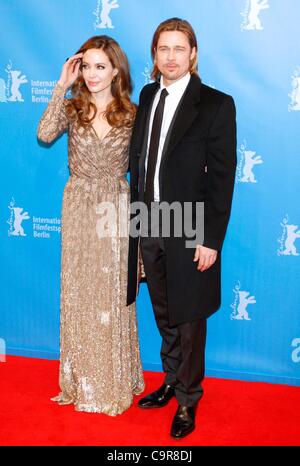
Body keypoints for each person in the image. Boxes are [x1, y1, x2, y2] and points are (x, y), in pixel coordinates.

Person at [127, 18, 237, 437]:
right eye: (162, 49)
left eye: (179, 48)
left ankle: (189, 400)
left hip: (190, 226)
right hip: (150, 221)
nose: (170, 56)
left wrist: (210, 239)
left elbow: (222, 178)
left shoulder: (215, 104)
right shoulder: (148, 93)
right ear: (154, 56)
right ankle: (171, 379)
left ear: (193, 53)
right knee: (164, 310)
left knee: (190, 318)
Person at [38, 35, 144, 416]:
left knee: (113, 294)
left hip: (116, 206)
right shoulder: (72, 108)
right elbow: (44, 134)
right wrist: (61, 85)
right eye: (87, 66)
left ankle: (114, 377)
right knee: (81, 291)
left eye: (101, 66)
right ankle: (80, 378)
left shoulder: (133, 113)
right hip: (80, 206)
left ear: (116, 70)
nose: (93, 74)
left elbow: (147, 169)